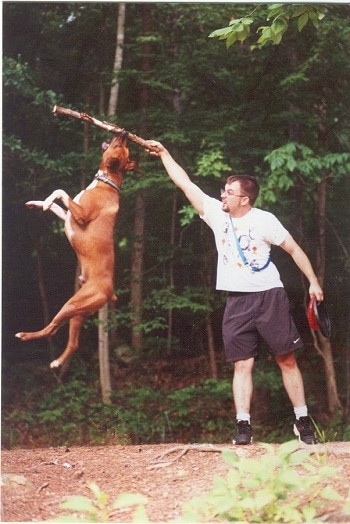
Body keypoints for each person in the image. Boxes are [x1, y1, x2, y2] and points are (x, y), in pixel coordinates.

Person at [146, 140, 323, 445]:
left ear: (245, 198)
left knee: (286, 360)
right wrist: (164, 154)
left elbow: (294, 250)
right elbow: (184, 182)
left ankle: (302, 421)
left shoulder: (265, 220)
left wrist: (314, 281)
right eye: (222, 191)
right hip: (237, 301)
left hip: (270, 296)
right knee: (242, 364)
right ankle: (243, 427)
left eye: (228, 192)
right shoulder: (216, 213)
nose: (222, 195)